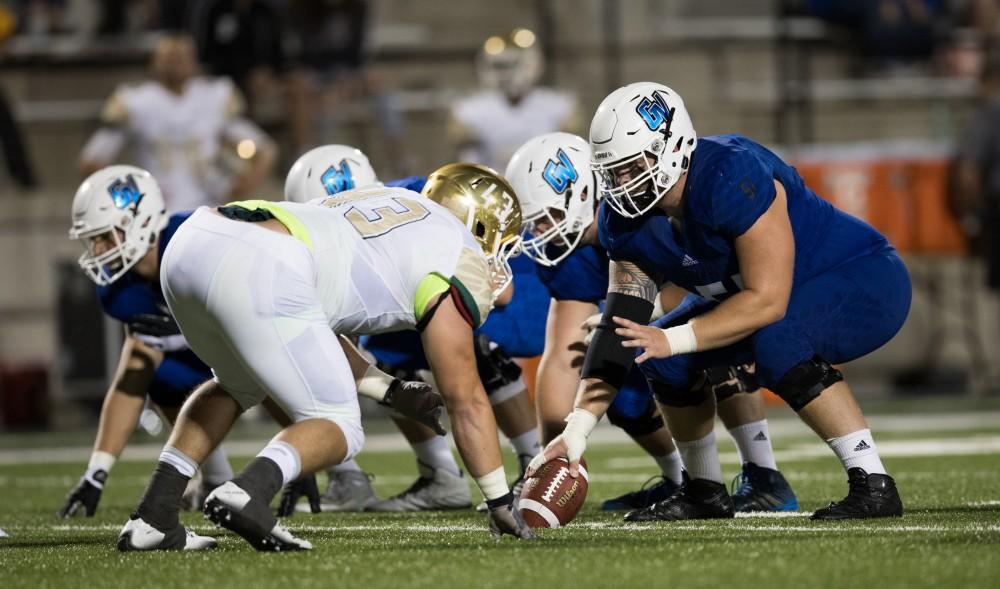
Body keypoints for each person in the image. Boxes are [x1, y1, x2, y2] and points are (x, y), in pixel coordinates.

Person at [531, 82, 910, 522]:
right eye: (611, 173)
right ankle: (704, 491)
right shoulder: (624, 220)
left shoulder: (729, 175)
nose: (621, 185)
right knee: (658, 360)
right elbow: (621, 326)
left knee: (772, 337)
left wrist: (671, 338)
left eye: (632, 167)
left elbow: (767, 300)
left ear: (671, 146)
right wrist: (577, 430)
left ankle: (873, 482)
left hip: (859, 277)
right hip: (769, 298)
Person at [117, 163, 534, 551]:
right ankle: (247, 492)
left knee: (235, 383)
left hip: (196, 240)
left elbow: (312, 321)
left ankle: (152, 520)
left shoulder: (391, 204)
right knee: (339, 424)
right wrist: (498, 499)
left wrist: (389, 391)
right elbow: (465, 397)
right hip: (265, 262)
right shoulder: (455, 251)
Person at [62, 165, 438, 522]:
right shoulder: (123, 292)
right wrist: (97, 470)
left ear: (140, 222)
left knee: (307, 398)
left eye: (102, 237)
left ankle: (335, 472)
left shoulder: (196, 240)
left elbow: (271, 343)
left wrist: (299, 443)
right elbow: (134, 370)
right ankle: (214, 479)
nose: (96, 252)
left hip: (270, 329)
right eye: (92, 241)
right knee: (162, 373)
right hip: (222, 353)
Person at [506, 132, 796, 512]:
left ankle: (763, 471)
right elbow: (562, 356)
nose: (540, 233)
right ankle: (679, 478)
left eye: (547, 218)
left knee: (713, 348)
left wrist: (646, 321)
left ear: (580, 195)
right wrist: (548, 457)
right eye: (534, 222)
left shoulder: (645, 213)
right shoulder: (569, 253)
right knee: (615, 380)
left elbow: (701, 297)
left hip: (725, 307)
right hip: (653, 330)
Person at [279, 145, 541, 514]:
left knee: (473, 342)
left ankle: (534, 461)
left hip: (496, 300)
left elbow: (499, 289)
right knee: (376, 356)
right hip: (411, 302)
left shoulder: (429, 194)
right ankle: (439, 474)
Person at [79, 33, 276, 212]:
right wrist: (132, 202)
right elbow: (91, 162)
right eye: (169, 58)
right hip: (159, 215)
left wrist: (242, 188)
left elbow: (265, 150)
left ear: (194, 62)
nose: (176, 64)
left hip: (211, 210)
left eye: (182, 58)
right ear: (154, 62)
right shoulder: (137, 101)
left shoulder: (213, 96)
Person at [449, 28, 579, 172]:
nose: (505, 74)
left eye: (510, 65)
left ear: (532, 64)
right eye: (499, 66)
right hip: (492, 185)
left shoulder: (557, 105)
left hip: (545, 184)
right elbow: (466, 158)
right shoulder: (472, 109)